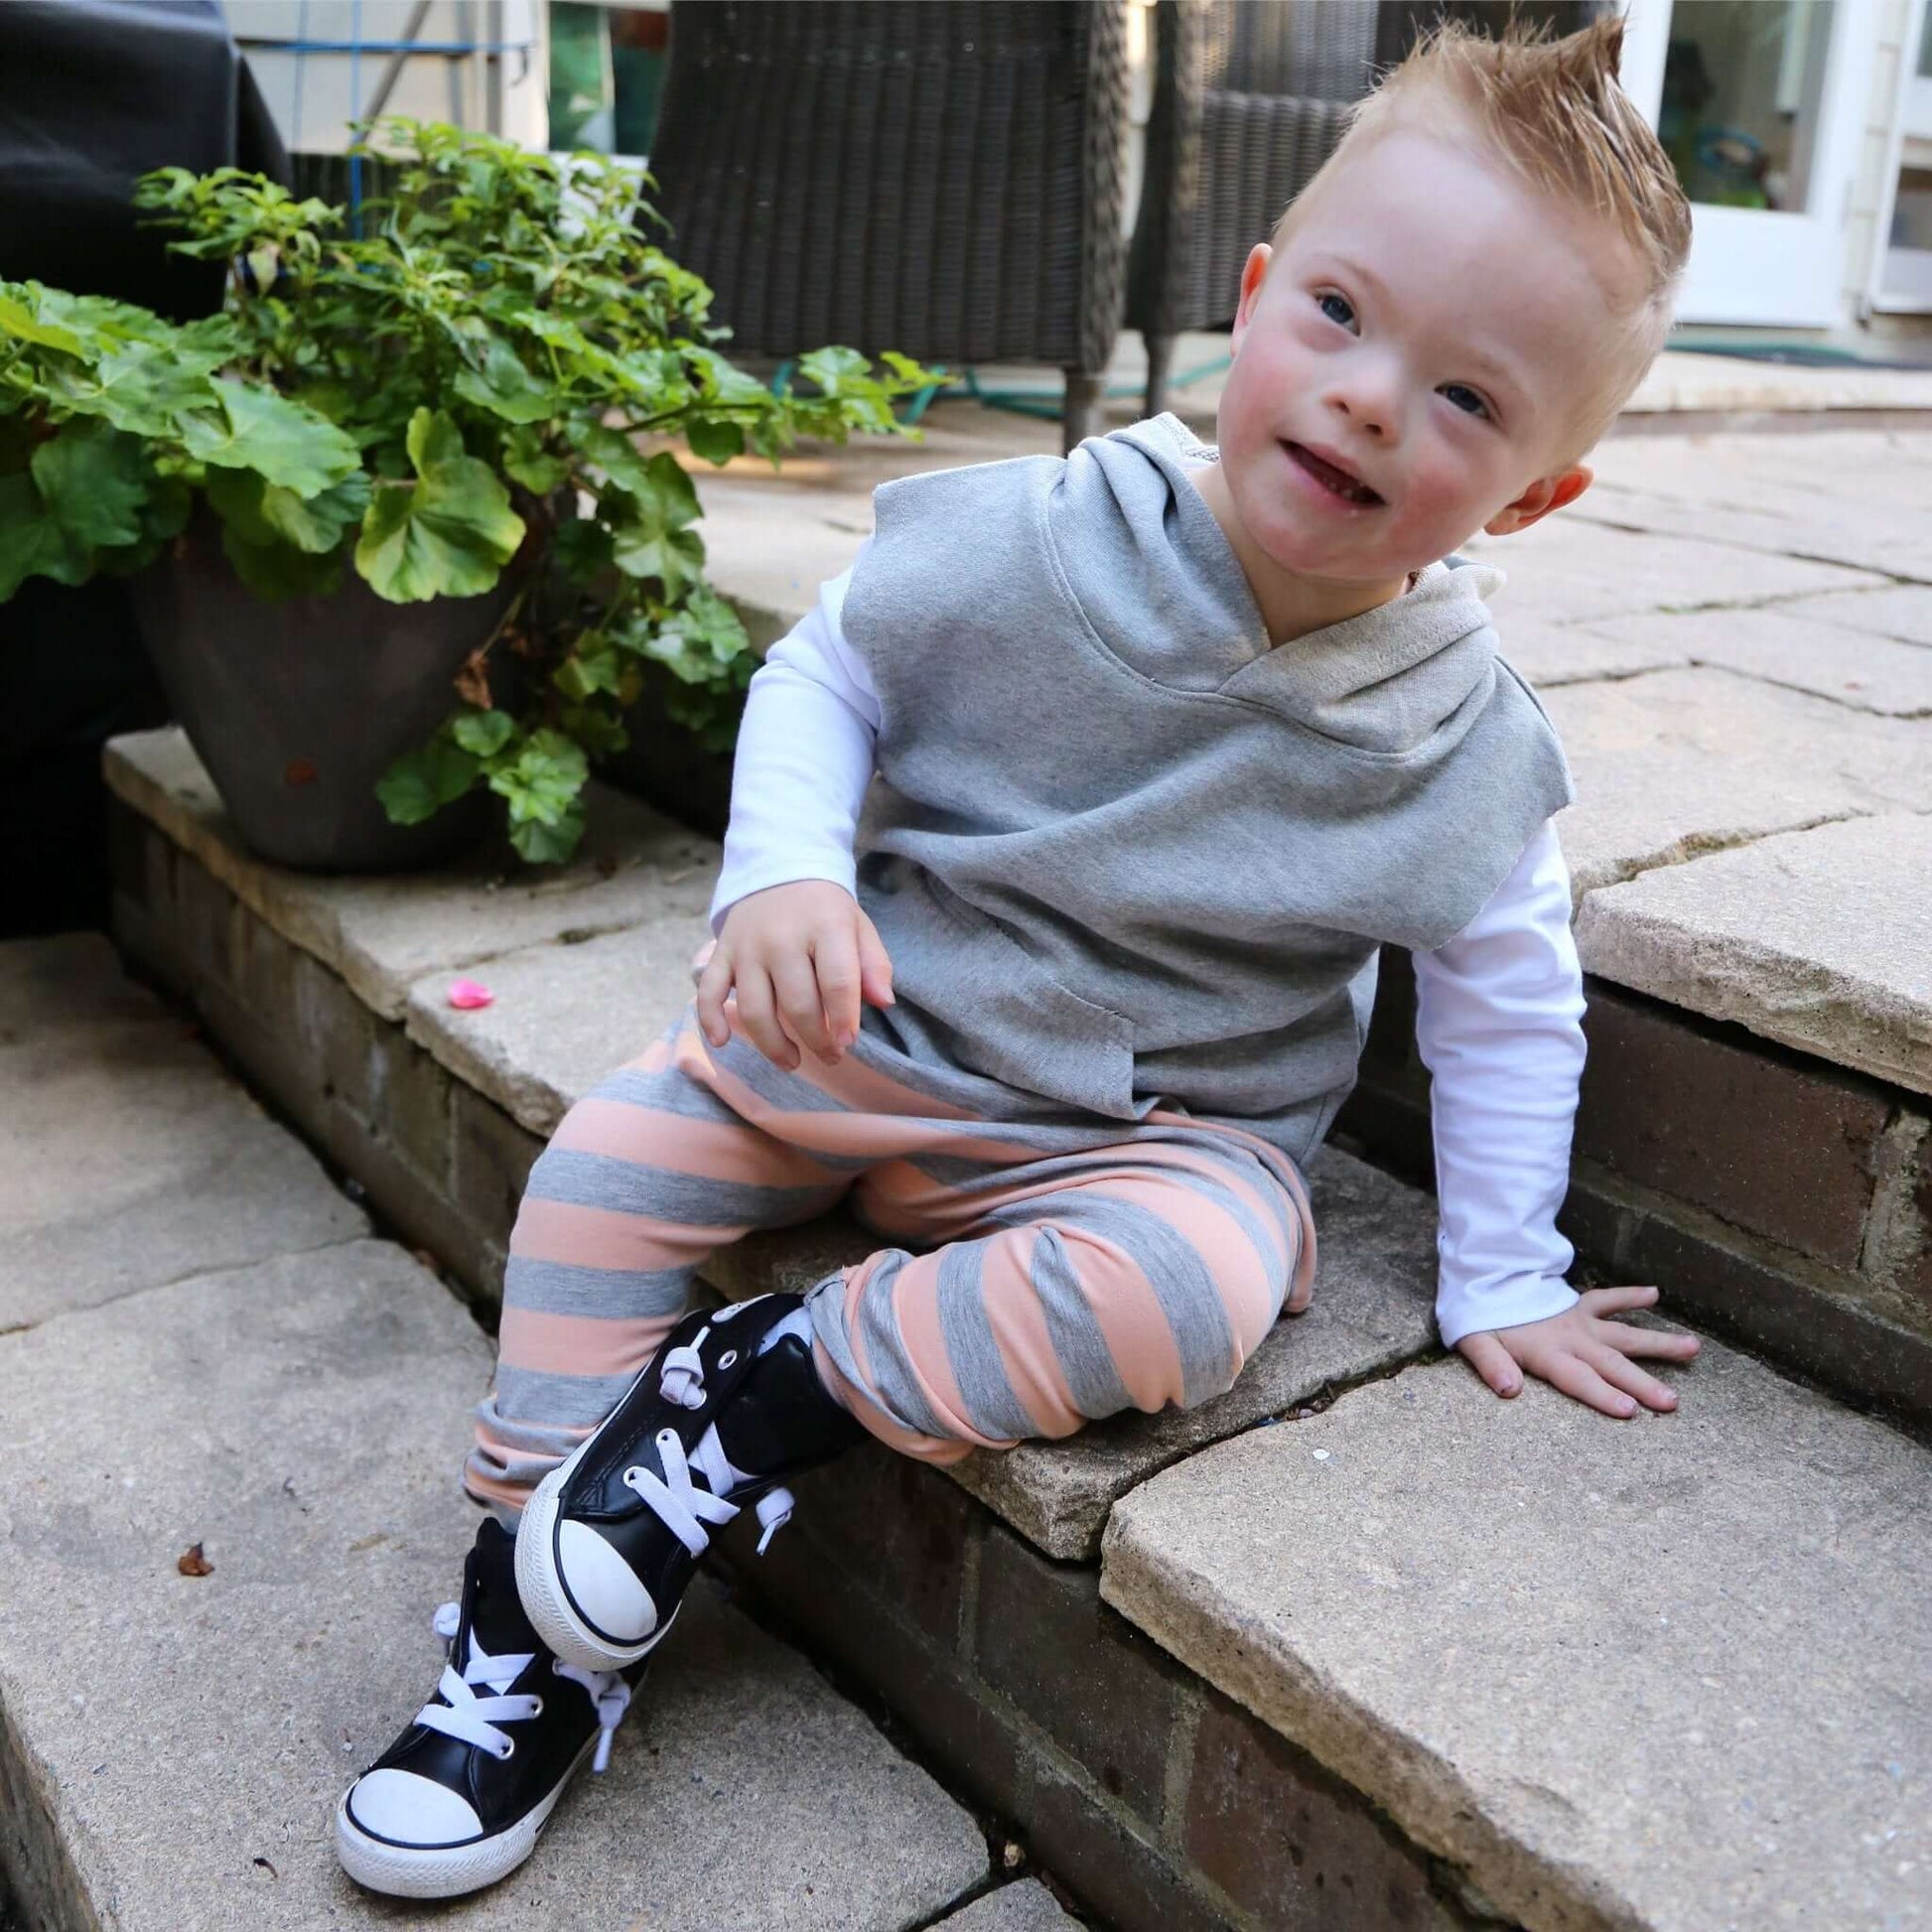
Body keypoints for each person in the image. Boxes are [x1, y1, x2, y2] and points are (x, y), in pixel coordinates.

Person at [337, 16, 1704, 1899]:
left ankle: (752, 1395)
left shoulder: (1456, 745)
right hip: (876, 1015)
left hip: (1147, 1125)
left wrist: (1502, 1272)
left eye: (1469, 400)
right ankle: (530, 1617)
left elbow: (1502, 996)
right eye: (1336, 313)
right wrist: (782, 883)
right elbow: (830, 665)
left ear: (1536, 493)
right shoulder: (1050, 534)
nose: (1375, 398)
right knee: (600, 1172)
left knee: (1200, 1293)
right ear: (1252, 294)